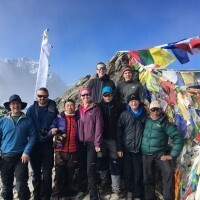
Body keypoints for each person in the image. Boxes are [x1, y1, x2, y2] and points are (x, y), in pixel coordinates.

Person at [141, 100, 184, 200]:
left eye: (158, 110)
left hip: (160, 153)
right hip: (146, 154)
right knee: (147, 179)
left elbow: (178, 138)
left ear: (161, 110)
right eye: (153, 110)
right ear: (149, 110)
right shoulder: (145, 120)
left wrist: (172, 155)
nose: (155, 112)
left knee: (168, 173)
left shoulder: (165, 123)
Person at [0, 94, 37, 200]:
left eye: (18, 103)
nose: (15, 105)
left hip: (21, 157)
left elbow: (33, 136)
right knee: (6, 187)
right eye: (13, 104)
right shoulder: (2, 121)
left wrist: (26, 152)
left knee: (21, 186)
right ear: (9, 106)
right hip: (5, 157)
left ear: (21, 105)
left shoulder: (28, 120)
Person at [26, 87, 58, 200]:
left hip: (48, 144)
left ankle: (46, 197)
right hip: (34, 145)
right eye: (40, 96)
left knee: (47, 174)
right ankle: (36, 196)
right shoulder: (30, 109)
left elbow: (57, 122)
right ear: (37, 96)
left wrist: (53, 130)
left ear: (48, 96)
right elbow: (26, 126)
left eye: (44, 96)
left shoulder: (53, 108)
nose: (42, 98)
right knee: (35, 174)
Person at [117, 94, 148, 200]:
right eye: (131, 101)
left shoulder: (144, 114)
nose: (133, 103)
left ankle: (138, 194)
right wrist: (119, 148)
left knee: (138, 173)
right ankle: (129, 191)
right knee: (128, 172)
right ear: (128, 103)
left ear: (139, 102)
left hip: (139, 149)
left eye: (135, 101)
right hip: (127, 149)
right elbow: (119, 132)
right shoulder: (124, 114)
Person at [76, 87, 103, 200]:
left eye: (87, 94)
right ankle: (83, 190)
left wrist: (97, 143)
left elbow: (99, 126)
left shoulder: (95, 108)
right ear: (80, 97)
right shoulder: (79, 109)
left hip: (92, 143)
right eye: (83, 95)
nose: (85, 97)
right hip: (81, 143)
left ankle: (94, 195)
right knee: (82, 167)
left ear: (90, 95)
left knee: (90, 169)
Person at [99, 86, 125, 197]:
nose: (107, 96)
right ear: (102, 96)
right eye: (105, 95)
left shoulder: (119, 106)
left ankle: (115, 188)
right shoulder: (98, 106)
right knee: (101, 162)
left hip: (114, 140)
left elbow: (133, 105)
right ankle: (104, 184)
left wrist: (144, 106)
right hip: (101, 139)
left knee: (115, 162)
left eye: (109, 94)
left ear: (112, 95)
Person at [50, 99, 78, 199]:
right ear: (64, 107)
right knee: (59, 175)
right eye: (67, 105)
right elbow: (52, 126)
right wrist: (52, 129)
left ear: (75, 107)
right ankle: (56, 196)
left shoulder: (78, 118)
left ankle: (67, 194)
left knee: (70, 174)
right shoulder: (59, 118)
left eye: (71, 105)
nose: (69, 107)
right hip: (60, 151)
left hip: (73, 151)